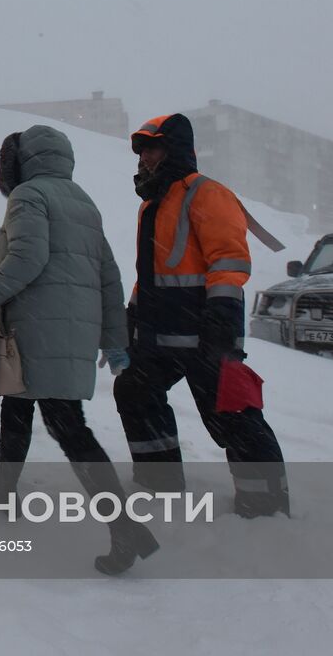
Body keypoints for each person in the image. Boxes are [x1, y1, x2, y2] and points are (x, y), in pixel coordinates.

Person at [0, 125, 158, 575]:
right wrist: (114, 340)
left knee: (69, 428)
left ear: (20, 162)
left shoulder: (28, 196)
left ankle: (125, 527)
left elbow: (27, 260)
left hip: (39, 331)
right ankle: (3, 491)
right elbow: (108, 274)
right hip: (65, 333)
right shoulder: (82, 201)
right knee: (18, 405)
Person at [116, 113, 289, 517]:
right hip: (158, 336)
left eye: (153, 149)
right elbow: (154, 271)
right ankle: (158, 482)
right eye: (141, 152)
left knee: (231, 413)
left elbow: (228, 262)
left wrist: (222, 322)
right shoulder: (152, 205)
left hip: (206, 333)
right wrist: (132, 314)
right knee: (135, 392)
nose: (145, 159)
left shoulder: (207, 194)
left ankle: (265, 501)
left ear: (174, 150)